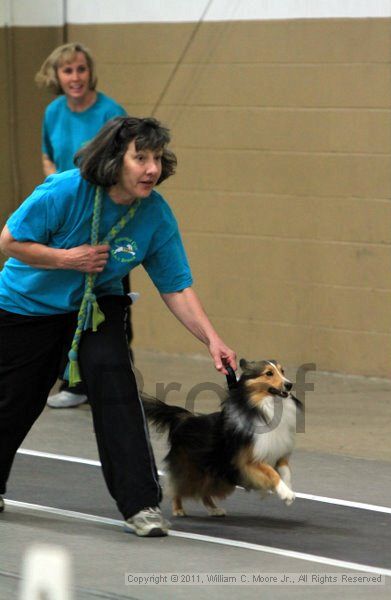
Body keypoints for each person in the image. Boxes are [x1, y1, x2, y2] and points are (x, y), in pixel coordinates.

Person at [0, 116, 237, 536]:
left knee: (117, 391)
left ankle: (141, 504)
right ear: (115, 159)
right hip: (28, 306)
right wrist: (66, 259)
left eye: (157, 159)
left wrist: (212, 340)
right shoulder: (64, 191)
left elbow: (176, 286)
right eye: (140, 158)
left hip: (97, 304)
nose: (151, 169)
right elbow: (9, 242)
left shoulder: (155, 216)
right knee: (15, 402)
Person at [35, 42, 132, 408]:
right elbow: (48, 155)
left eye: (80, 69)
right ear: (56, 76)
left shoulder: (112, 113)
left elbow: (127, 165)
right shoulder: (53, 112)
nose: (74, 77)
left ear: (90, 72)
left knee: (110, 296)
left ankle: (114, 381)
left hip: (104, 219)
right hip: (65, 216)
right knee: (65, 297)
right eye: (67, 71)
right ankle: (75, 381)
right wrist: (58, 189)